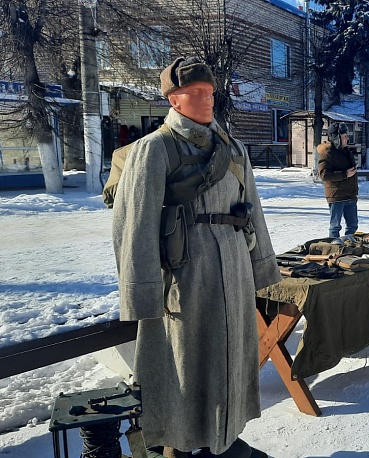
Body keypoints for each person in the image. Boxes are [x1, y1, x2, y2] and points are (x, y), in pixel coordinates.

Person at [112, 57, 280, 458]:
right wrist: (141, 293)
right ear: (173, 98)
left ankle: (226, 435)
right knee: (185, 362)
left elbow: (252, 209)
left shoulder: (233, 147)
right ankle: (183, 444)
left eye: (210, 91)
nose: (207, 98)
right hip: (184, 272)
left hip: (235, 266)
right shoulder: (155, 149)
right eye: (196, 92)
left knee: (233, 354)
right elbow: (133, 222)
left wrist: (260, 268)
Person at [318, 122, 359, 237]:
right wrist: (345, 174)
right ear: (336, 137)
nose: (347, 138)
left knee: (353, 225)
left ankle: (350, 248)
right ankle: (333, 249)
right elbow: (324, 174)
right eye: (344, 135)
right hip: (336, 195)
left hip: (350, 194)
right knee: (335, 226)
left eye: (347, 135)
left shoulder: (345, 151)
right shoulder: (327, 153)